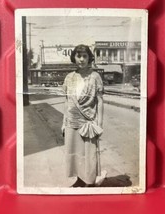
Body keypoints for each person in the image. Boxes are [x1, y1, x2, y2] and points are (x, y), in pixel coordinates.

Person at [61, 44, 104, 187]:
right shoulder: (69, 77)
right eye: (78, 56)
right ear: (74, 57)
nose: (81, 59)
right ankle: (79, 179)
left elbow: (100, 101)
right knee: (74, 153)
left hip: (88, 122)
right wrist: (64, 121)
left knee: (89, 154)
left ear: (89, 58)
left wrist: (100, 123)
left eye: (85, 56)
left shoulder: (95, 76)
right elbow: (67, 101)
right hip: (71, 121)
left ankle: (90, 182)